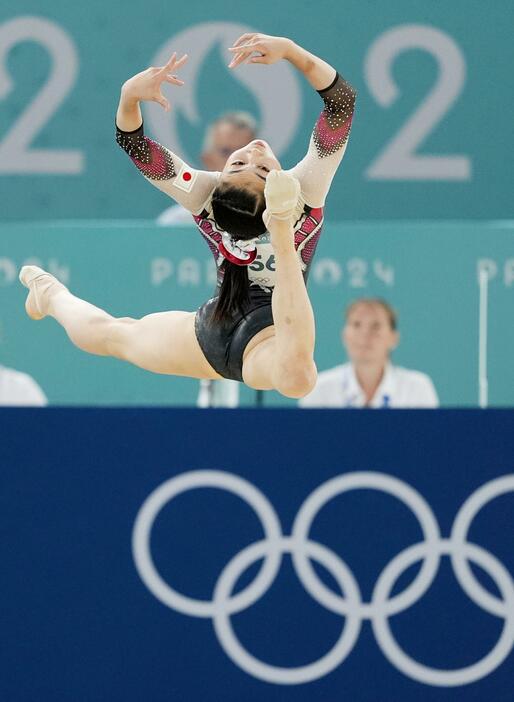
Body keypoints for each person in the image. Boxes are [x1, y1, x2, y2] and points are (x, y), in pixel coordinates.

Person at [19, 33, 357, 400]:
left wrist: (130, 97)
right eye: (243, 164)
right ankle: (50, 295)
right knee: (114, 335)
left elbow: (134, 142)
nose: (252, 152)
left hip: (268, 339)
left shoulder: (278, 187)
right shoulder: (268, 190)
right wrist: (128, 97)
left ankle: (51, 296)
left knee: (296, 378)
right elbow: (340, 104)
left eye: (254, 167)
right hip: (215, 327)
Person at [157, 111, 258, 407]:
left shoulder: (282, 224)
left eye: (250, 151)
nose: (242, 163)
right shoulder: (171, 226)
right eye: (228, 153)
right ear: (208, 158)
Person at [299, 298, 439, 408]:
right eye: (356, 325)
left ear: (393, 338)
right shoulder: (319, 390)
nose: (365, 334)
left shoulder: (417, 389)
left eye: (376, 326)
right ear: (344, 335)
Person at [157, 112, 257, 226]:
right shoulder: (176, 223)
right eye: (226, 152)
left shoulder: (273, 220)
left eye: (247, 153)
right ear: (207, 160)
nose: (238, 161)